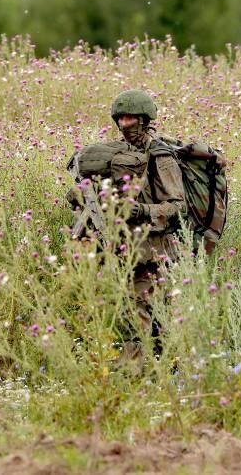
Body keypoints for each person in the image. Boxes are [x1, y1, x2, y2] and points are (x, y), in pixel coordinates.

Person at [68, 89, 187, 349]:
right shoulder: (116, 155)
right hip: (121, 248)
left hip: (153, 249)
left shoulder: (161, 155)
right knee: (134, 311)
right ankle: (159, 369)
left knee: (142, 312)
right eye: (120, 118)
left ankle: (140, 372)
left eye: (130, 118)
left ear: (144, 119)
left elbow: (177, 204)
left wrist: (142, 210)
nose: (125, 124)